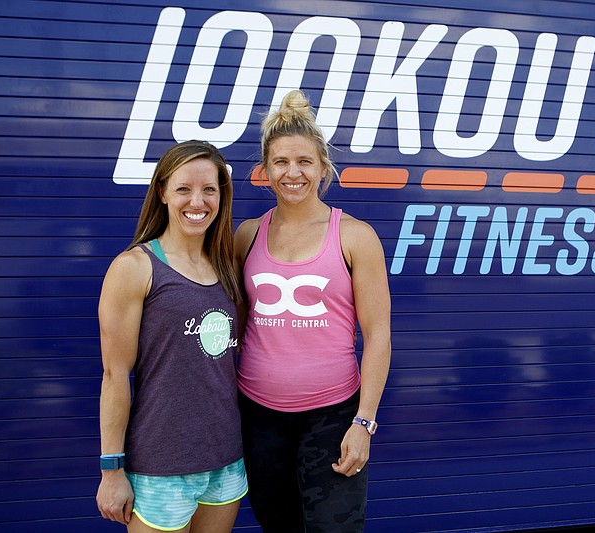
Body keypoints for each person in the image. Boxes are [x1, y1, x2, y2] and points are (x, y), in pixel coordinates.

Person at [234, 90, 392, 532]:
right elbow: (232, 326)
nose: (293, 172)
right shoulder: (246, 236)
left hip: (333, 418)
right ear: (265, 171)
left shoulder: (355, 237)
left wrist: (364, 422)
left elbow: (378, 336)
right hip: (259, 418)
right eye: (281, 162)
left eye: (304, 161)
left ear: (323, 167)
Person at [96, 140, 247, 533]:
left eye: (208, 189)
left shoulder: (228, 266)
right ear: (162, 192)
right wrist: (112, 470)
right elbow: (115, 376)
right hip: (160, 468)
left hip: (226, 460)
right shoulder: (135, 268)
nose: (197, 201)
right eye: (183, 189)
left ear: (221, 195)